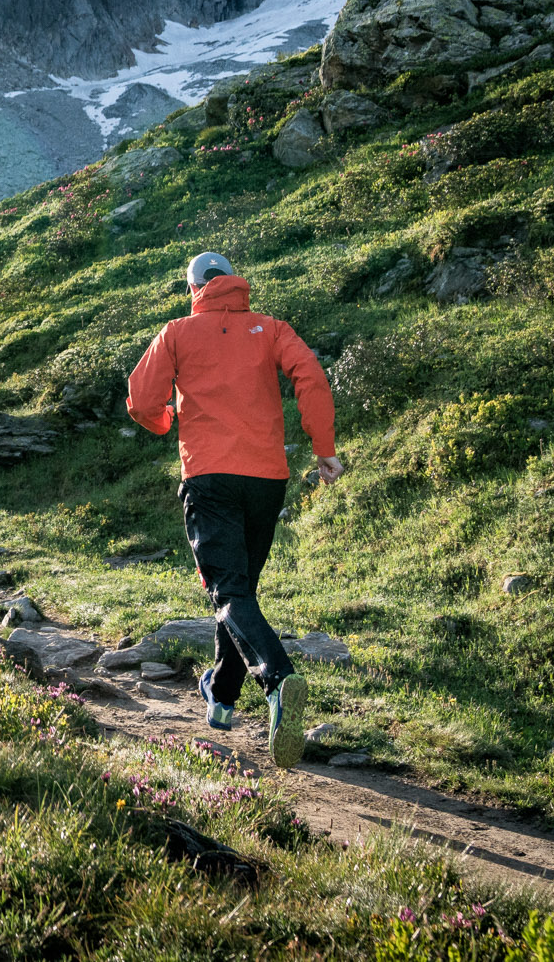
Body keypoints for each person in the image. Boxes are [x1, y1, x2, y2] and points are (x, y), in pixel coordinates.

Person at [126, 251, 342, 769]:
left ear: (195, 288)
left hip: (209, 477)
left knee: (227, 589)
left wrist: (164, 423)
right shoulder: (271, 328)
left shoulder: (176, 332)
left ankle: (277, 677)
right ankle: (221, 697)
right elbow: (310, 375)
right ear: (233, 283)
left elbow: (140, 398)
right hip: (267, 479)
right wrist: (324, 446)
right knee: (239, 587)